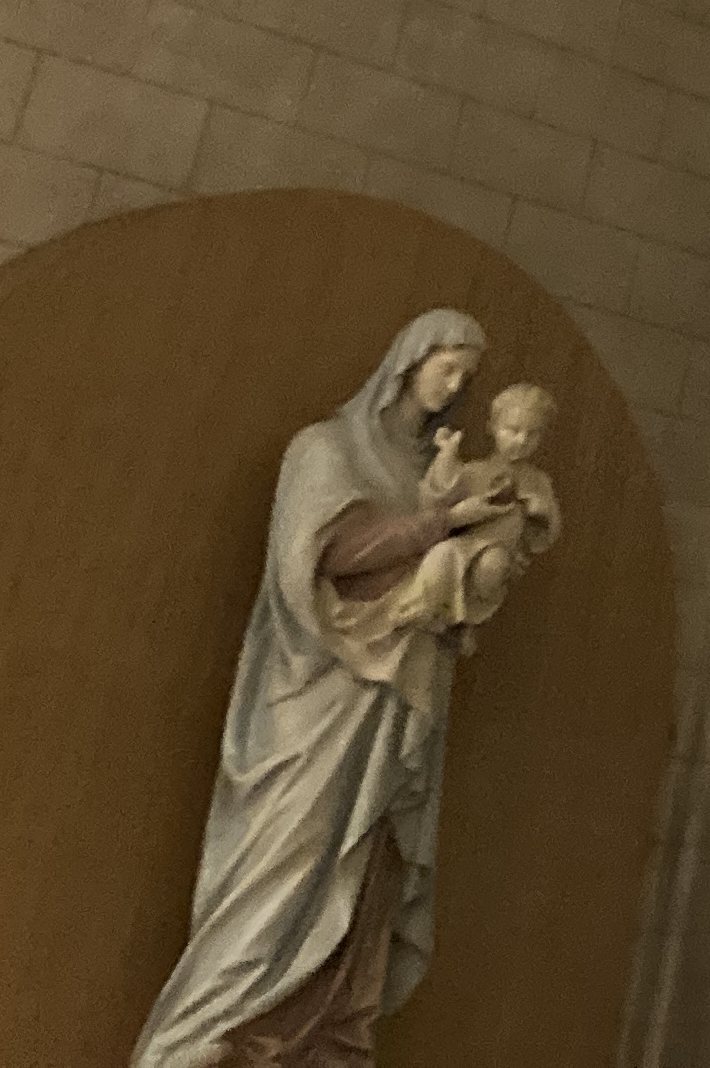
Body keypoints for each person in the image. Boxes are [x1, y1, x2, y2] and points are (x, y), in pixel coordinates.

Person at [131, 310, 491, 1068]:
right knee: (284, 869)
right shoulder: (326, 449)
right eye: (447, 366)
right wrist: (439, 527)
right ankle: (204, 1039)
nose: (454, 386)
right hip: (313, 695)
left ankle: (322, 1048)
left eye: (466, 376)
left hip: (392, 703)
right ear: (410, 359)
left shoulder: (437, 469)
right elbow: (334, 554)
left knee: (366, 876)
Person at [331, 382, 564, 669]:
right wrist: (446, 454)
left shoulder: (538, 482)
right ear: (492, 427)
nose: (521, 440)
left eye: (532, 434)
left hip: (498, 549)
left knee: (492, 567)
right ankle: (413, 611)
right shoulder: (475, 471)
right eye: (513, 430)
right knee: (441, 558)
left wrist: (539, 509)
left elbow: (546, 530)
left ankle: (463, 622)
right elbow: (438, 496)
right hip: (466, 543)